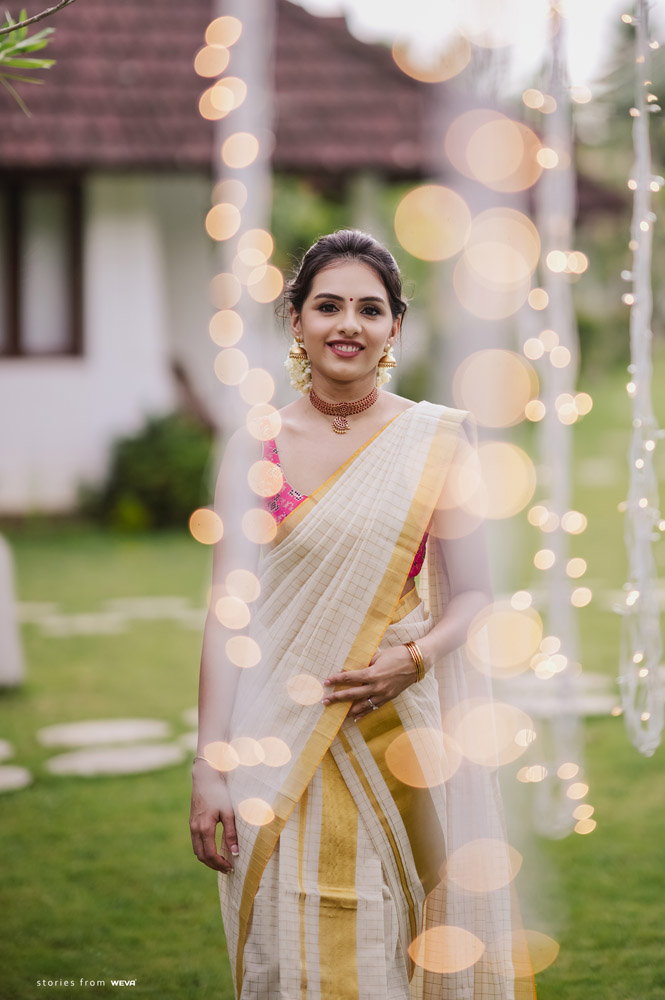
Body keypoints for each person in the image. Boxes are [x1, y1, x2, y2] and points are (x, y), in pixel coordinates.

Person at [190, 230, 537, 999]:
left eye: (369, 309)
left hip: (401, 741)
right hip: (276, 740)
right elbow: (229, 611)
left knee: (406, 938)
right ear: (296, 321)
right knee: (292, 947)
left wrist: (411, 660)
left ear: (394, 329)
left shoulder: (435, 439)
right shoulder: (256, 443)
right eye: (328, 305)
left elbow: (474, 593)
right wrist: (208, 763)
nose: (348, 323)